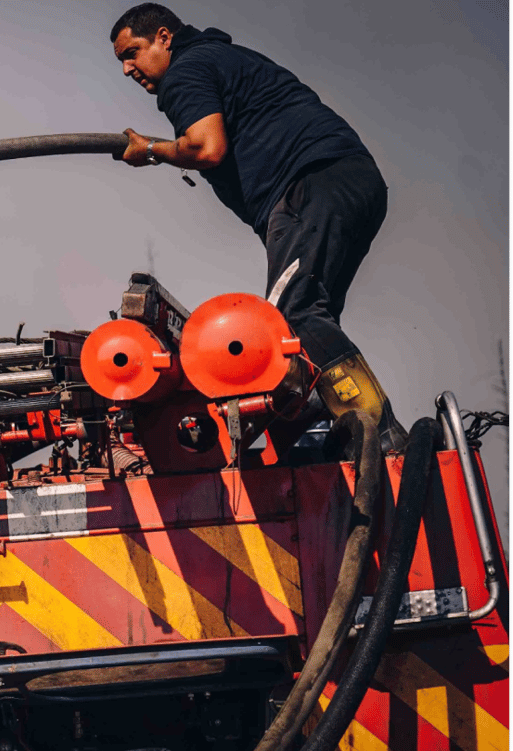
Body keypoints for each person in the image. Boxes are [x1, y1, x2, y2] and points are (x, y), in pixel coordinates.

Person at [108, 3, 408, 451]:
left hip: (310, 184)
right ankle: (325, 434)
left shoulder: (185, 73)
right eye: (122, 62)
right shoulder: (221, 58)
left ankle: (379, 436)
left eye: (133, 52)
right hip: (349, 181)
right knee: (310, 324)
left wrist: (151, 149)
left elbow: (207, 148)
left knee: (292, 321)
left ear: (164, 37)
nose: (129, 69)